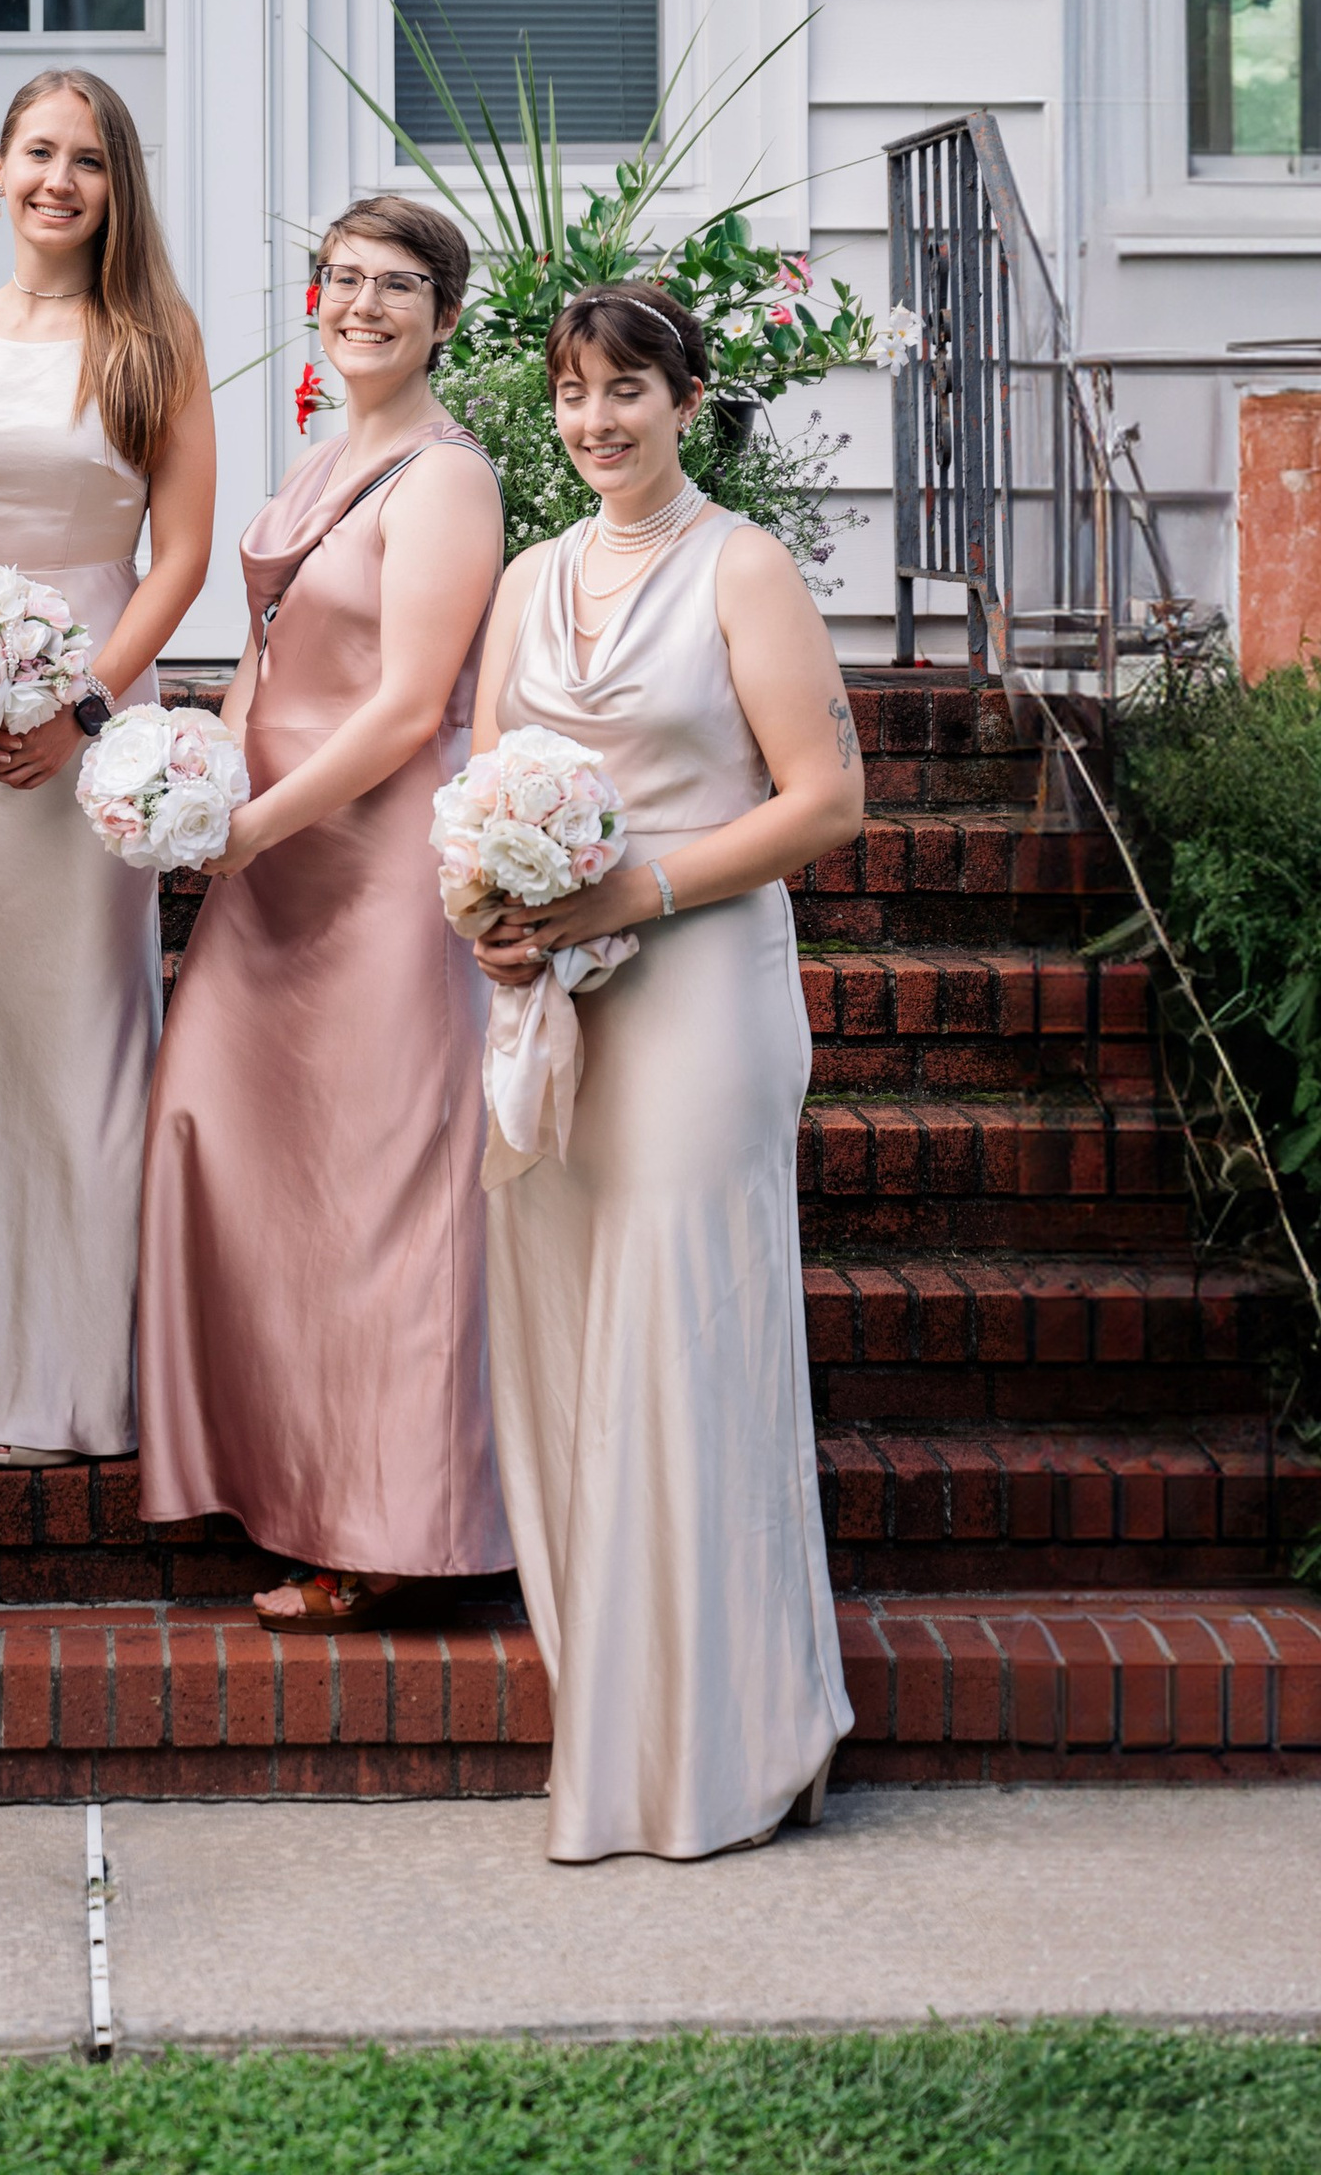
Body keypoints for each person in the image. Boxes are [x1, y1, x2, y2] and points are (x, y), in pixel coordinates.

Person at [470, 281, 864, 1862]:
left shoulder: (742, 565)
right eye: (574, 393)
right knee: (571, 1344)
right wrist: (495, 921)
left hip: (700, 989)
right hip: (562, 1002)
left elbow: (826, 800)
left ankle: (729, 1746)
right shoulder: (526, 577)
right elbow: (483, 788)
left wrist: (635, 890)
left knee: (680, 1336)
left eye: (627, 390)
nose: (597, 420)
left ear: (688, 401)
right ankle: (618, 1729)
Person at [137, 191, 510, 1619]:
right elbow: (267, 656)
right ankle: (281, 1472)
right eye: (343, 279)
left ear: (445, 315)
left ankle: (393, 1532)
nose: (363, 304)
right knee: (223, 1138)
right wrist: (196, 780)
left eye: (398, 284)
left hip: (379, 868)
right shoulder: (318, 459)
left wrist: (249, 827)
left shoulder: (446, 480)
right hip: (270, 859)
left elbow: (411, 706)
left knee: (381, 1192)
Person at [0, 67, 215, 1465]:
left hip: (88, 737)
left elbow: (180, 555)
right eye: (38, 153)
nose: (60, 180)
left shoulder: (155, 339)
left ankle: (80, 1388)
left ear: (116, 184)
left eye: (89, 159)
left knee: (85, 1035)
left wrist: (82, 703)